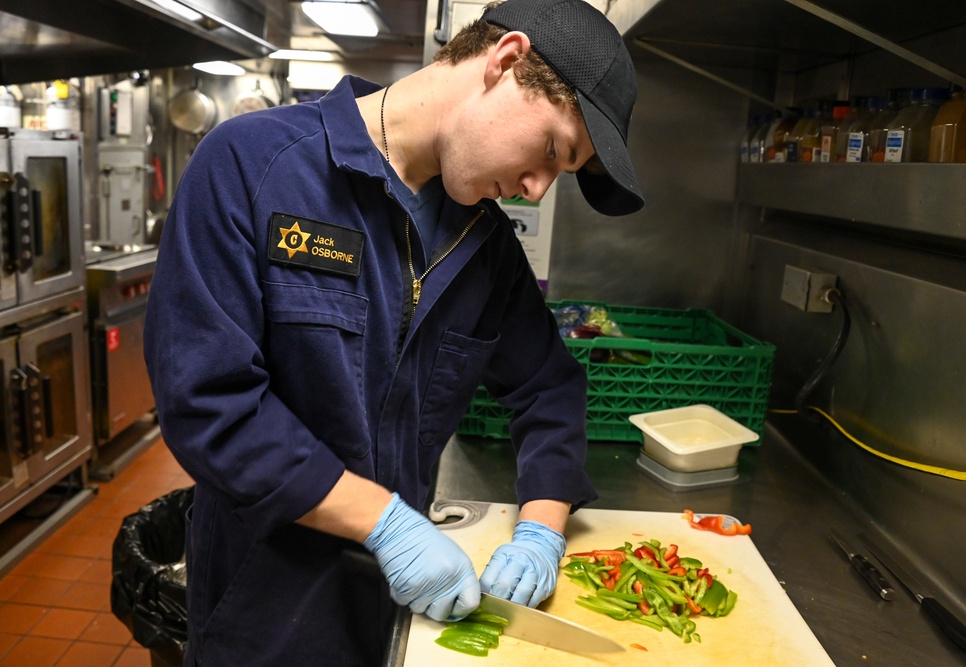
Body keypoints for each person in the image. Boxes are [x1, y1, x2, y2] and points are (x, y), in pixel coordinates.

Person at [143, 0, 643, 663]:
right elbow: (210, 404)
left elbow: (548, 388)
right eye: (552, 150)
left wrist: (542, 531)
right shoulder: (253, 165)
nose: (536, 188)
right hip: (265, 603)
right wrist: (384, 523)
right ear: (506, 60)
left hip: (403, 608)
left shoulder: (484, 245)